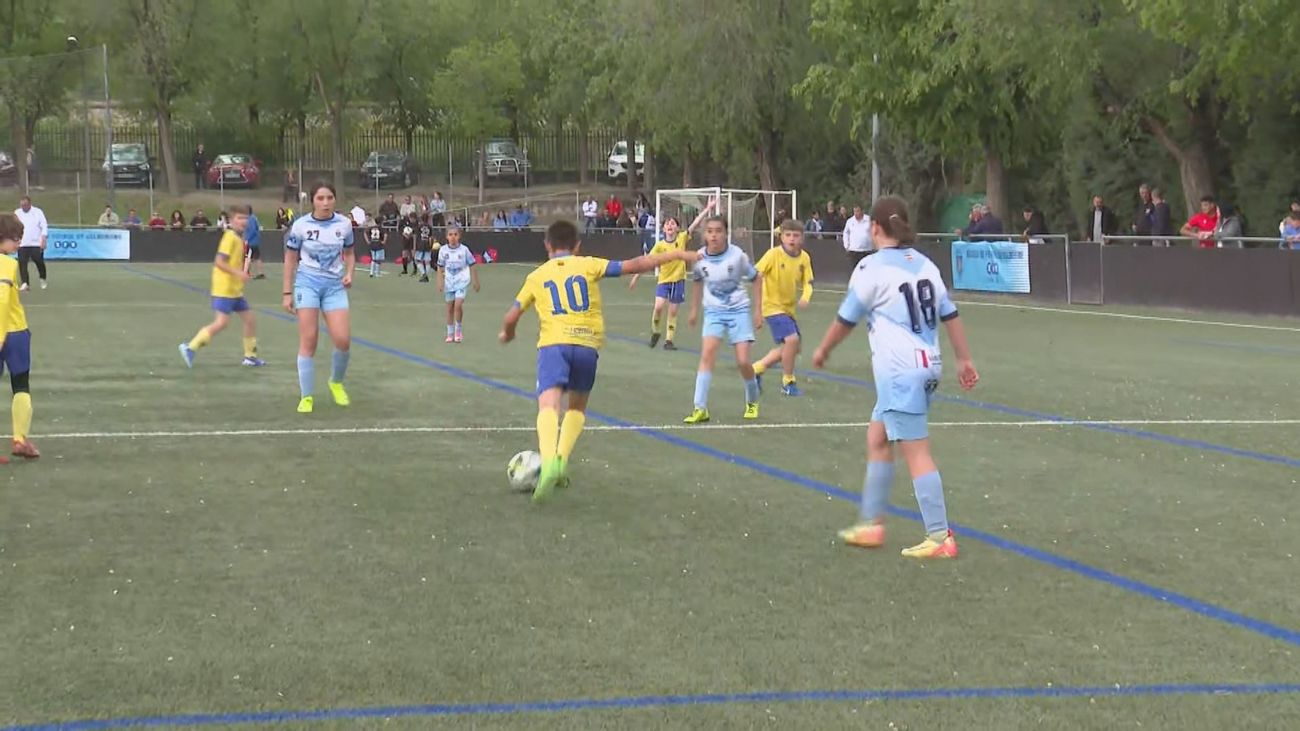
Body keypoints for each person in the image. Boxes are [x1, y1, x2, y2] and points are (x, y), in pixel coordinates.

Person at [811, 196, 979, 560]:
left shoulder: (871, 269)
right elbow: (950, 315)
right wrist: (963, 359)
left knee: (916, 452)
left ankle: (939, 537)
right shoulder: (926, 265)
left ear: (874, 228)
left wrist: (823, 351)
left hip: (900, 371)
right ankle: (872, 524)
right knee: (877, 437)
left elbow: (846, 320)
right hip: (926, 365)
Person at [498, 219, 700, 502]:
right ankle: (560, 460)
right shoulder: (589, 264)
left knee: (549, 403)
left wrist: (508, 333)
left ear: (547, 246)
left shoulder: (537, 276)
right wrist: (678, 254)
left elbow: (511, 316)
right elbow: (636, 264)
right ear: (577, 246)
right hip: (586, 345)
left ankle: (546, 461)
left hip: (554, 345)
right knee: (576, 407)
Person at [283, 182, 355, 414]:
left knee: (343, 340)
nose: (325, 203)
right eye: (320, 198)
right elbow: (290, 259)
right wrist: (287, 292)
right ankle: (306, 397)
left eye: (330, 198)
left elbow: (351, 253)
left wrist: (349, 273)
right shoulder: (301, 225)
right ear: (312, 200)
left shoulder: (344, 224)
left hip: (334, 287)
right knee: (309, 340)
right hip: (308, 284)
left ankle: (335, 382)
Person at [683, 215, 762, 425]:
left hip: (739, 309)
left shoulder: (738, 256)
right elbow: (698, 282)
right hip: (713, 312)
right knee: (707, 354)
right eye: (710, 231)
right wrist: (693, 310)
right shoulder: (699, 258)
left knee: (743, 361)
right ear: (704, 235)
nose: (714, 235)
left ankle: (752, 399)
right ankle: (700, 408)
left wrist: (758, 311)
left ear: (726, 233)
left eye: (718, 230)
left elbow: (756, 278)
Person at [178, 205, 267, 370]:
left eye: (246, 218)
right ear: (231, 221)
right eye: (239, 218)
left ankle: (250, 357)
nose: (243, 221)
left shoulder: (239, 239)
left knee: (249, 320)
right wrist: (238, 274)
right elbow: (219, 262)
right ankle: (190, 347)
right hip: (224, 289)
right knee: (221, 323)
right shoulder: (230, 237)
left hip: (235, 290)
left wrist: (242, 272)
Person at [627, 202, 713, 351]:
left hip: (678, 281)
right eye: (667, 223)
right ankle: (655, 331)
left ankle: (669, 340)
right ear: (663, 229)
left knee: (673, 311)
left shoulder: (682, 238)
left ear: (677, 228)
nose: (670, 225)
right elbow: (647, 262)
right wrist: (635, 277)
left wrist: (707, 209)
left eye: (673, 223)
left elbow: (695, 223)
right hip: (664, 280)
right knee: (659, 306)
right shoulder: (660, 246)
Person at [751, 220, 815, 396]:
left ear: (802, 238)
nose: (791, 239)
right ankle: (788, 382)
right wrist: (757, 310)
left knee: (794, 348)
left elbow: (808, 283)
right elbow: (757, 276)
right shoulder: (773, 255)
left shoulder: (804, 258)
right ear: (781, 237)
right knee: (792, 341)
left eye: (796, 235)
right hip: (772, 307)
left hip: (788, 309)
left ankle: (756, 370)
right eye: (788, 235)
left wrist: (805, 296)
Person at [0, 212, 38, 460]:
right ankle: (19, 438)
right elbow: (2, 298)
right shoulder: (8, 264)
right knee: (21, 385)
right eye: (16, 238)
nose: (18, 244)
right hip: (12, 332)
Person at [436, 226, 480, 343]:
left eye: (455, 234)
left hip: (462, 280)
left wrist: (476, 281)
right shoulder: (443, 251)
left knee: (458, 305)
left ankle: (458, 331)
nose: (453, 237)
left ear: (459, 236)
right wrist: (440, 281)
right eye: (450, 235)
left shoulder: (464, 250)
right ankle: (450, 333)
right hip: (449, 282)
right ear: (447, 237)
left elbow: (472, 265)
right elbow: (440, 267)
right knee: (450, 307)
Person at [13, 196, 48, 292]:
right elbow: (14, 226)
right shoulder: (17, 213)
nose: (23, 207)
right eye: (21, 205)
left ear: (29, 204)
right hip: (22, 243)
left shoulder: (37, 212)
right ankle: (25, 283)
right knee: (22, 263)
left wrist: (43, 239)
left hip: (35, 243)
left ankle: (42, 277)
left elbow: (44, 225)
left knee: (39, 261)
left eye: (25, 205)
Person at [414, 214, 435, 282]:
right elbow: (431, 237)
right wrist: (431, 245)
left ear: (421, 219)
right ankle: (426, 275)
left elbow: (415, 236)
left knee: (417, 260)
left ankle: (423, 274)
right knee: (427, 261)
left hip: (420, 244)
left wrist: (414, 246)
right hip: (427, 244)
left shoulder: (419, 226)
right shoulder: (430, 227)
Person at [245, 207, 264, 279]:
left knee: (248, 257)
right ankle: (260, 273)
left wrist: (247, 239)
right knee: (257, 257)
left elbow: (252, 230)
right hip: (255, 241)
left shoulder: (250, 219)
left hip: (252, 242)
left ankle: (246, 272)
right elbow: (258, 227)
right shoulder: (254, 218)